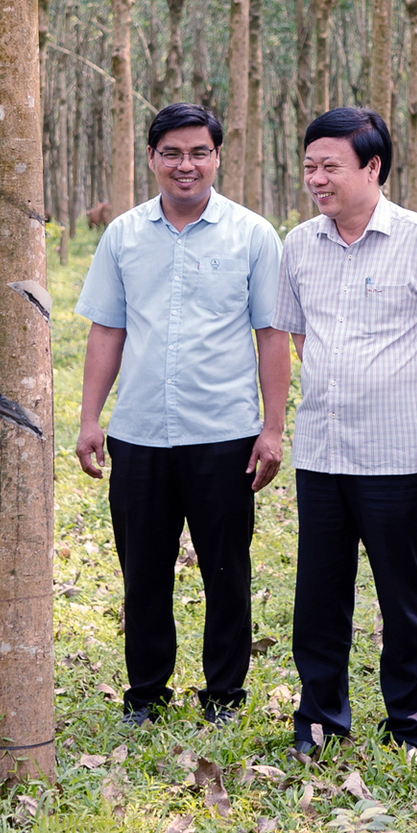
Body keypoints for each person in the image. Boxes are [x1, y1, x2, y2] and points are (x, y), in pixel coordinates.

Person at [73, 103, 289, 726]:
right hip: (139, 433)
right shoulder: (123, 235)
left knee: (227, 570)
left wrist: (271, 430)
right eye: (172, 153)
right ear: (151, 159)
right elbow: (106, 330)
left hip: (224, 433)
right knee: (142, 571)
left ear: (218, 158)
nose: (185, 165)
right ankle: (146, 694)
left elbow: (271, 336)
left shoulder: (252, 235)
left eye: (199, 152)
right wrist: (91, 418)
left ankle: (224, 695)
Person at [276, 107, 417, 759]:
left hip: (397, 455)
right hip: (323, 453)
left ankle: (411, 725)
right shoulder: (300, 244)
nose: (317, 178)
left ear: (373, 166)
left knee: (402, 596)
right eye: (310, 165)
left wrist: (406, 394)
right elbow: (298, 333)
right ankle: (320, 721)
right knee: (319, 598)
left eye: (330, 165)